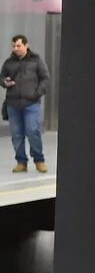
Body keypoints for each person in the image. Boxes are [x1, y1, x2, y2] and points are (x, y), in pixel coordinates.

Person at [3, 34, 48, 173]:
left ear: (26, 45)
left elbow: (45, 78)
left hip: (31, 104)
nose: (15, 48)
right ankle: (21, 162)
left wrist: (37, 93)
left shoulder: (36, 60)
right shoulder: (8, 62)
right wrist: (5, 82)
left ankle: (39, 160)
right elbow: (1, 77)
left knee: (33, 131)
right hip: (13, 104)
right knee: (16, 135)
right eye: (14, 46)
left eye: (18, 45)